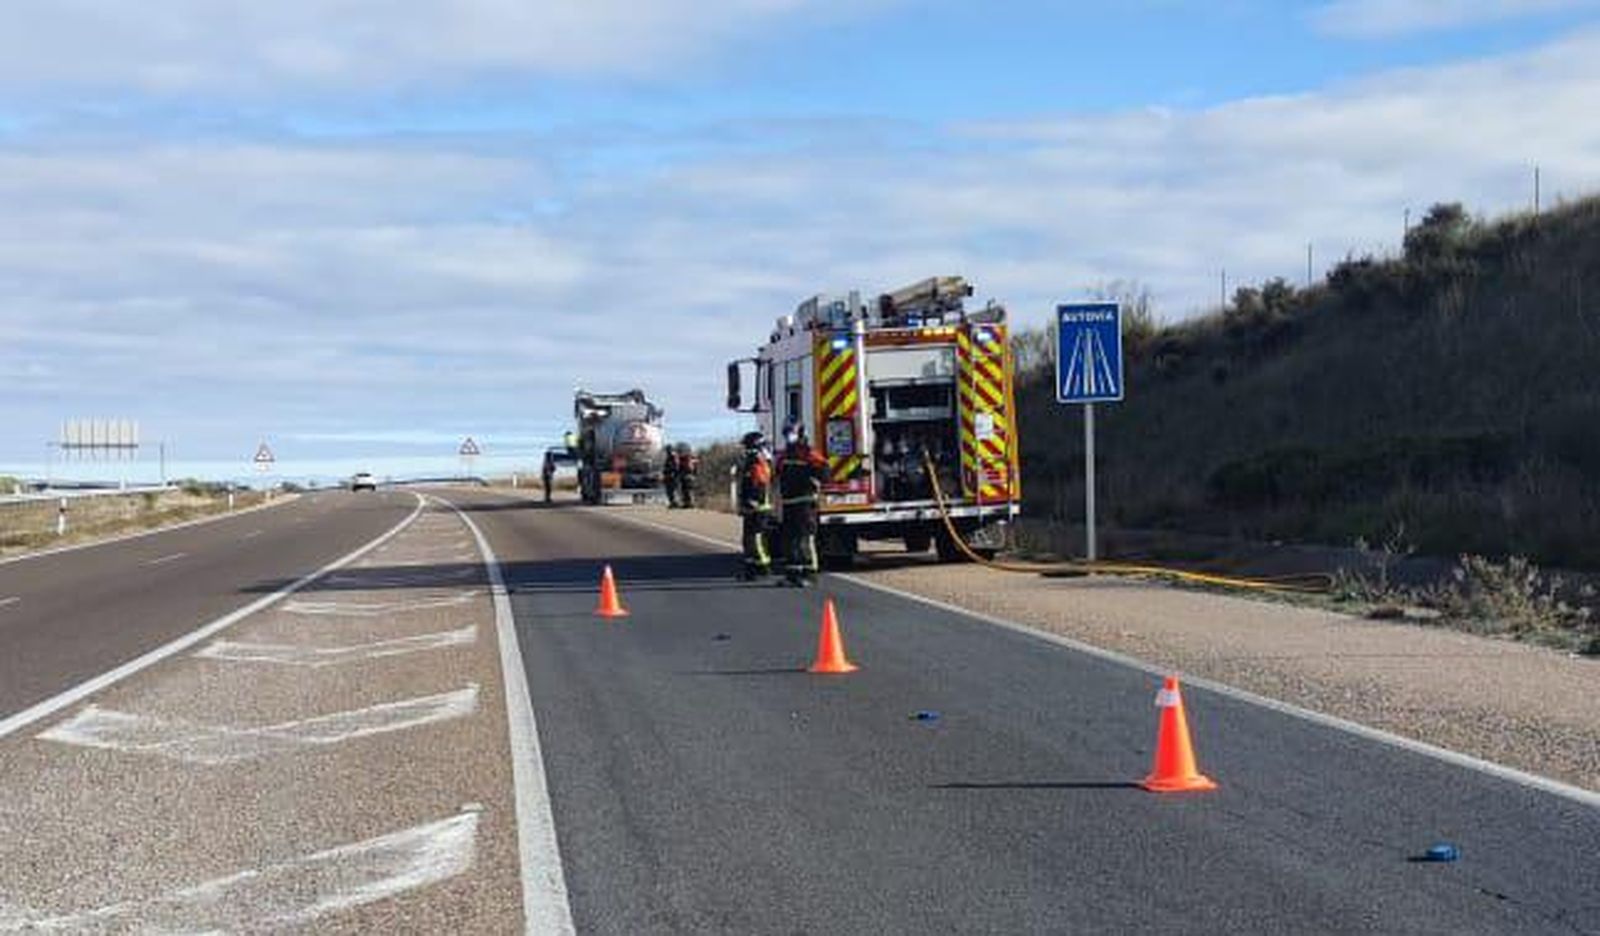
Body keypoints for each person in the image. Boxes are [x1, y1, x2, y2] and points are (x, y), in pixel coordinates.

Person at [777, 430, 827, 586]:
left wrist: (813, 482)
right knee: (790, 540)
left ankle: (810, 574)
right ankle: (792, 574)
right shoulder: (785, 455)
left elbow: (825, 469)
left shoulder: (808, 452)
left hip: (805, 502)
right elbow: (777, 472)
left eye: (790, 433)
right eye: (786, 433)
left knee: (805, 538)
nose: (788, 437)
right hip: (789, 502)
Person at [736, 432, 774, 580]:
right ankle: (750, 570)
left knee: (756, 539)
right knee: (747, 540)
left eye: (746, 446)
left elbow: (761, 484)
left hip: (758, 509)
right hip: (750, 508)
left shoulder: (758, 462)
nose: (744, 449)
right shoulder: (751, 461)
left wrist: (754, 500)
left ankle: (764, 567)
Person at [675, 442, 699, 509]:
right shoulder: (692, 458)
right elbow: (695, 468)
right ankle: (687, 503)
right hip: (689, 476)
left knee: (688, 490)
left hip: (687, 476)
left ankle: (691, 504)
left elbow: (681, 468)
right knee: (686, 490)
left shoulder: (685, 458)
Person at [662, 443, 680, 508]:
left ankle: (674, 503)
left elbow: (676, 467)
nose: (666, 451)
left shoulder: (673, 456)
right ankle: (673, 503)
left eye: (667, 450)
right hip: (670, 476)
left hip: (672, 477)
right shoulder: (670, 457)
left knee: (671, 490)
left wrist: (672, 473)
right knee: (670, 490)